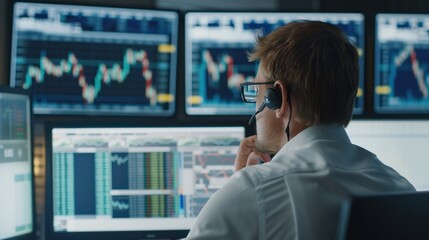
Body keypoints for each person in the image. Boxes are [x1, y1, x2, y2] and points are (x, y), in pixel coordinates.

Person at [186, 21, 415, 240]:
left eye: (256, 92)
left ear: (278, 98)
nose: (255, 105)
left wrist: (239, 194)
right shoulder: (401, 189)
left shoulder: (255, 190)